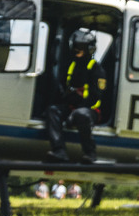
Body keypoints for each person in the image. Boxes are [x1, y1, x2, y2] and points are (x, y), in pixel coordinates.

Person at [45, 29, 106, 163]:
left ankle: (90, 153)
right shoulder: (71, 66)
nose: (77, 51)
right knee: (52, 110)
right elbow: (63, 88)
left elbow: (96, 97)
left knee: (81, 114)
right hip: (71, 107)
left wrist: (78, 107)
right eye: (76, 47)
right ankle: (59, 150)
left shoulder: (96, 69)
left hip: (90, 110)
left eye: (81, 48)